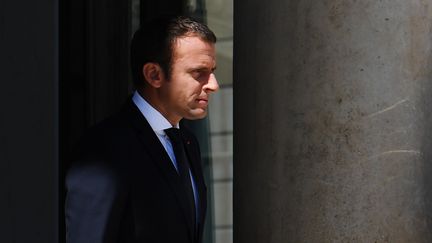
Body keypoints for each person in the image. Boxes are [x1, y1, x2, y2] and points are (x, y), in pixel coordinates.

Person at [65, 16, 219, 243]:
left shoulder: (187, 142)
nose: (213, 84)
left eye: (212, 71)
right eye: (199, 73)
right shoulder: (103, 148)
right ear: (154, 75)